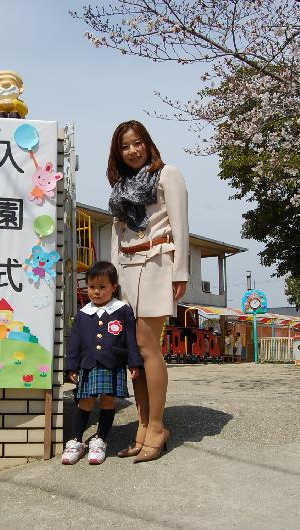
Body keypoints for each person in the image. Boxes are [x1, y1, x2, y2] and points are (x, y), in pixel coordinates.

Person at [108, 120, 189, 463]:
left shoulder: (167, 174)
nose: (132, 151)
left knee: (145, 344)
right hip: (126, 269)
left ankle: (157, 426)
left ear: (147, 143)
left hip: (157, 263)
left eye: (137, 143)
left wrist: (181, 270)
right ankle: (142, 425)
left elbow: (181, 224)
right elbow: (117, 234)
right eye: (125, 146)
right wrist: (112, 281)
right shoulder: (121, 186)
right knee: (134, 352)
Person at [63, 261, 142, 465]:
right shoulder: (83, 313)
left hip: (112, 362)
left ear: (114, 287)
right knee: (85, 401)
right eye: (91, 287)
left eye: (102, 287)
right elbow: (75, 341)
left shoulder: (122, 310)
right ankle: (76, 441)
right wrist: (71, 365)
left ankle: (99, 440)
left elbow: (130, 339)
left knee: (108, 401)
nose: (96, 292)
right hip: (88, 364)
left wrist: (134, 362)